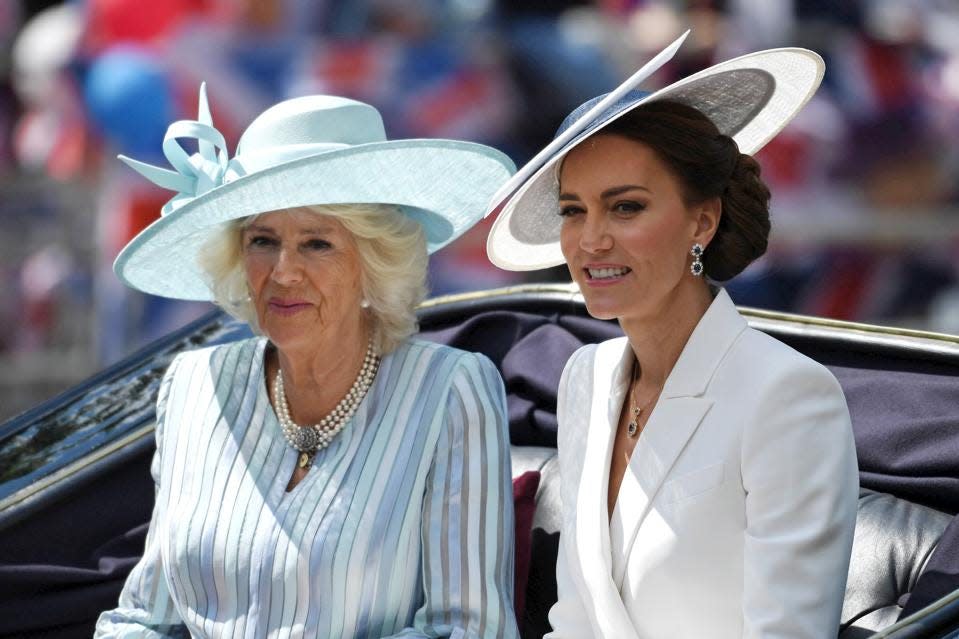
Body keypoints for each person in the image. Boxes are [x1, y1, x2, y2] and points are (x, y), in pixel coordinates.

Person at [95, 85, 520, 638]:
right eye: (263, 241)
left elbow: (469, 629)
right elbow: (143, 618)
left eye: (317, 244)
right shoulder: (194, 387)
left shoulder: (450, 392)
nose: (283, 271)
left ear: (373, 261)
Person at [485, 41, 859, 638]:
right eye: (574, 211)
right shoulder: (587, 375)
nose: (591, 240)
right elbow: (578, 618)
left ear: (702, 221)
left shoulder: (788, 395)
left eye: (625, 207)